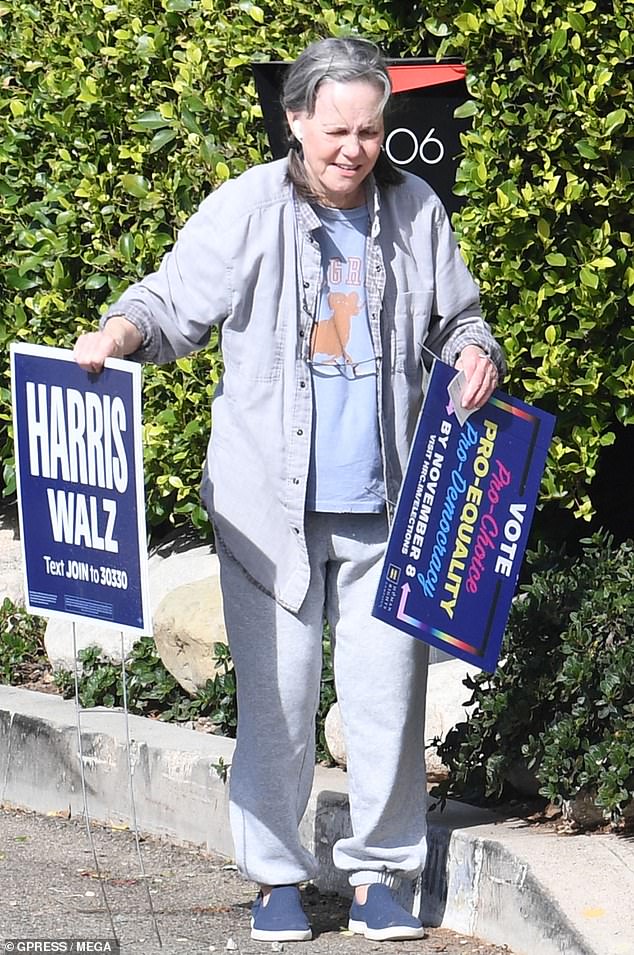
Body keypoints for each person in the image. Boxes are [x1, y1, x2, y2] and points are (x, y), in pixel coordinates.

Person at [74, 36, 505, 943]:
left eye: (371, 130)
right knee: (278, 697)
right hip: (267, 510)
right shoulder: (244, 209)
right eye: (337, 129)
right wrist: (114, 336)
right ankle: (275, 876)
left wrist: (474, 354)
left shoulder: (416, 209)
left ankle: (379, 874)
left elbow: (460, 316)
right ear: (297, 119)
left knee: (387, 702)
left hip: (391, 505)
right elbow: (167, 307)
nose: (355, 148)